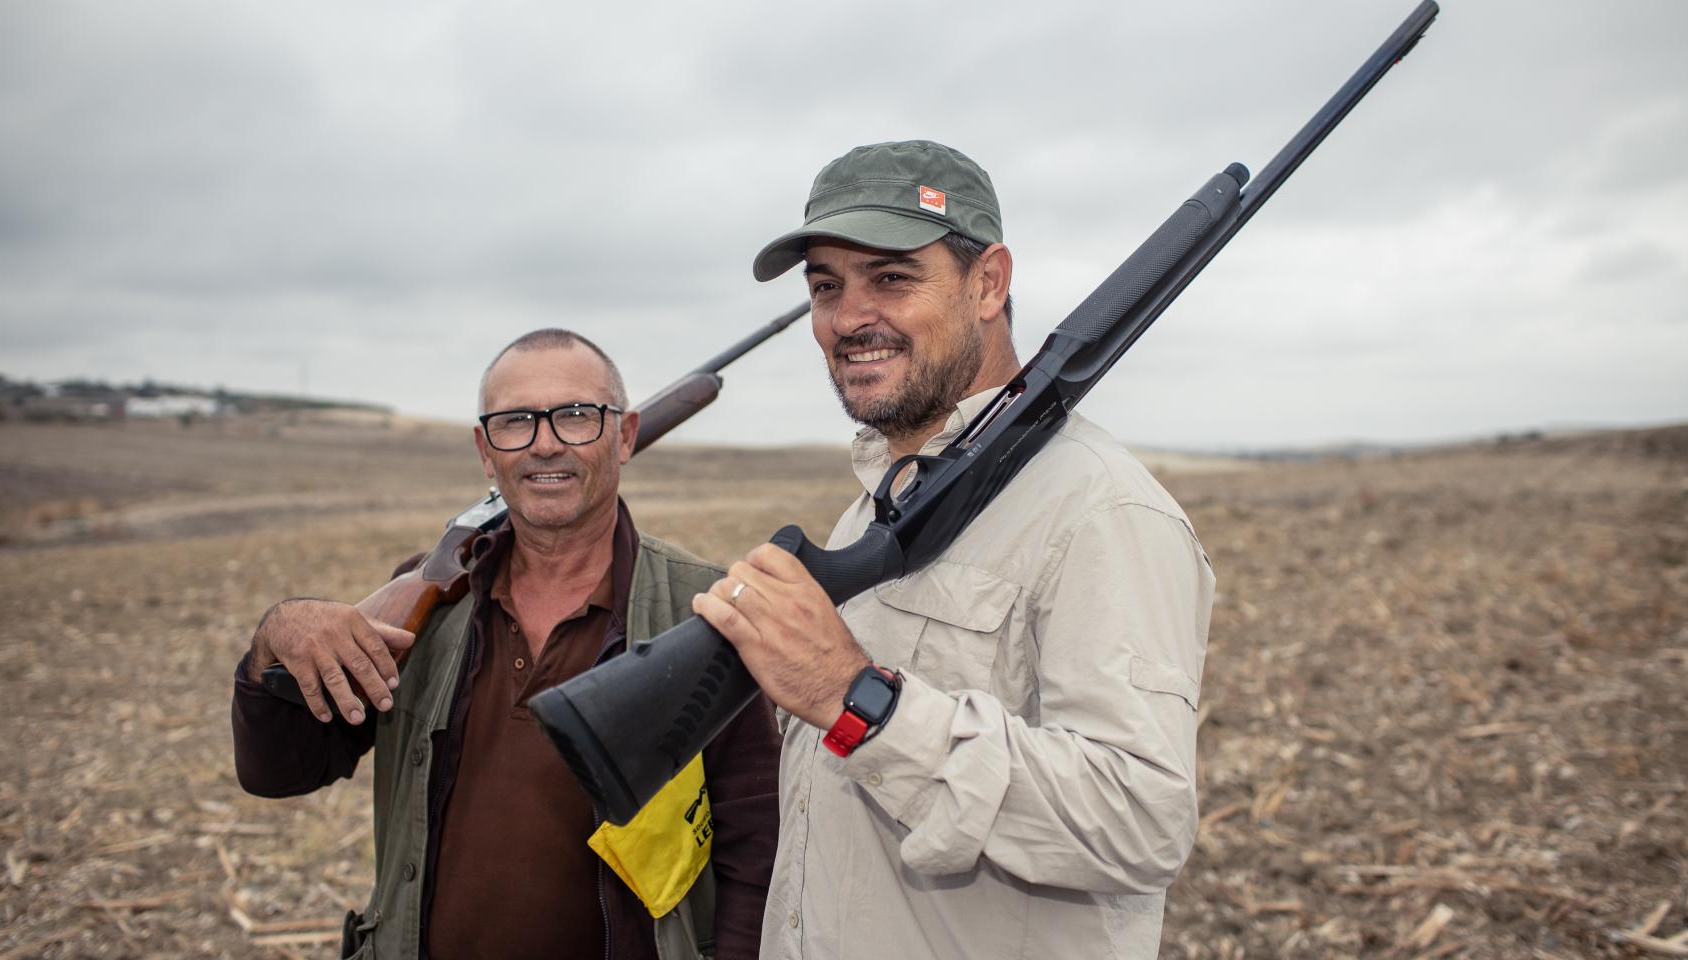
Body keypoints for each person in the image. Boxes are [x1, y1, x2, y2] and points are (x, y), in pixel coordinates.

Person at [691, 141, 1214, 959]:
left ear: (989, 283)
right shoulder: (872, 506)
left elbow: (1140, 821)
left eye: (892, 278)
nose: (850, 317)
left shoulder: (1101, 510)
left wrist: (858, 700)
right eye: (827, 287)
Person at [231, 330, 781, 960]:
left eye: (577, 415)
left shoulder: (703, 606)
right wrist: (273, 641)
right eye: (515, 421)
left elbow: (757, 844)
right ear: (485, 451)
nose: (545, 442)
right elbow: (279, 771)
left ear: (625, 436)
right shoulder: (428, 605)